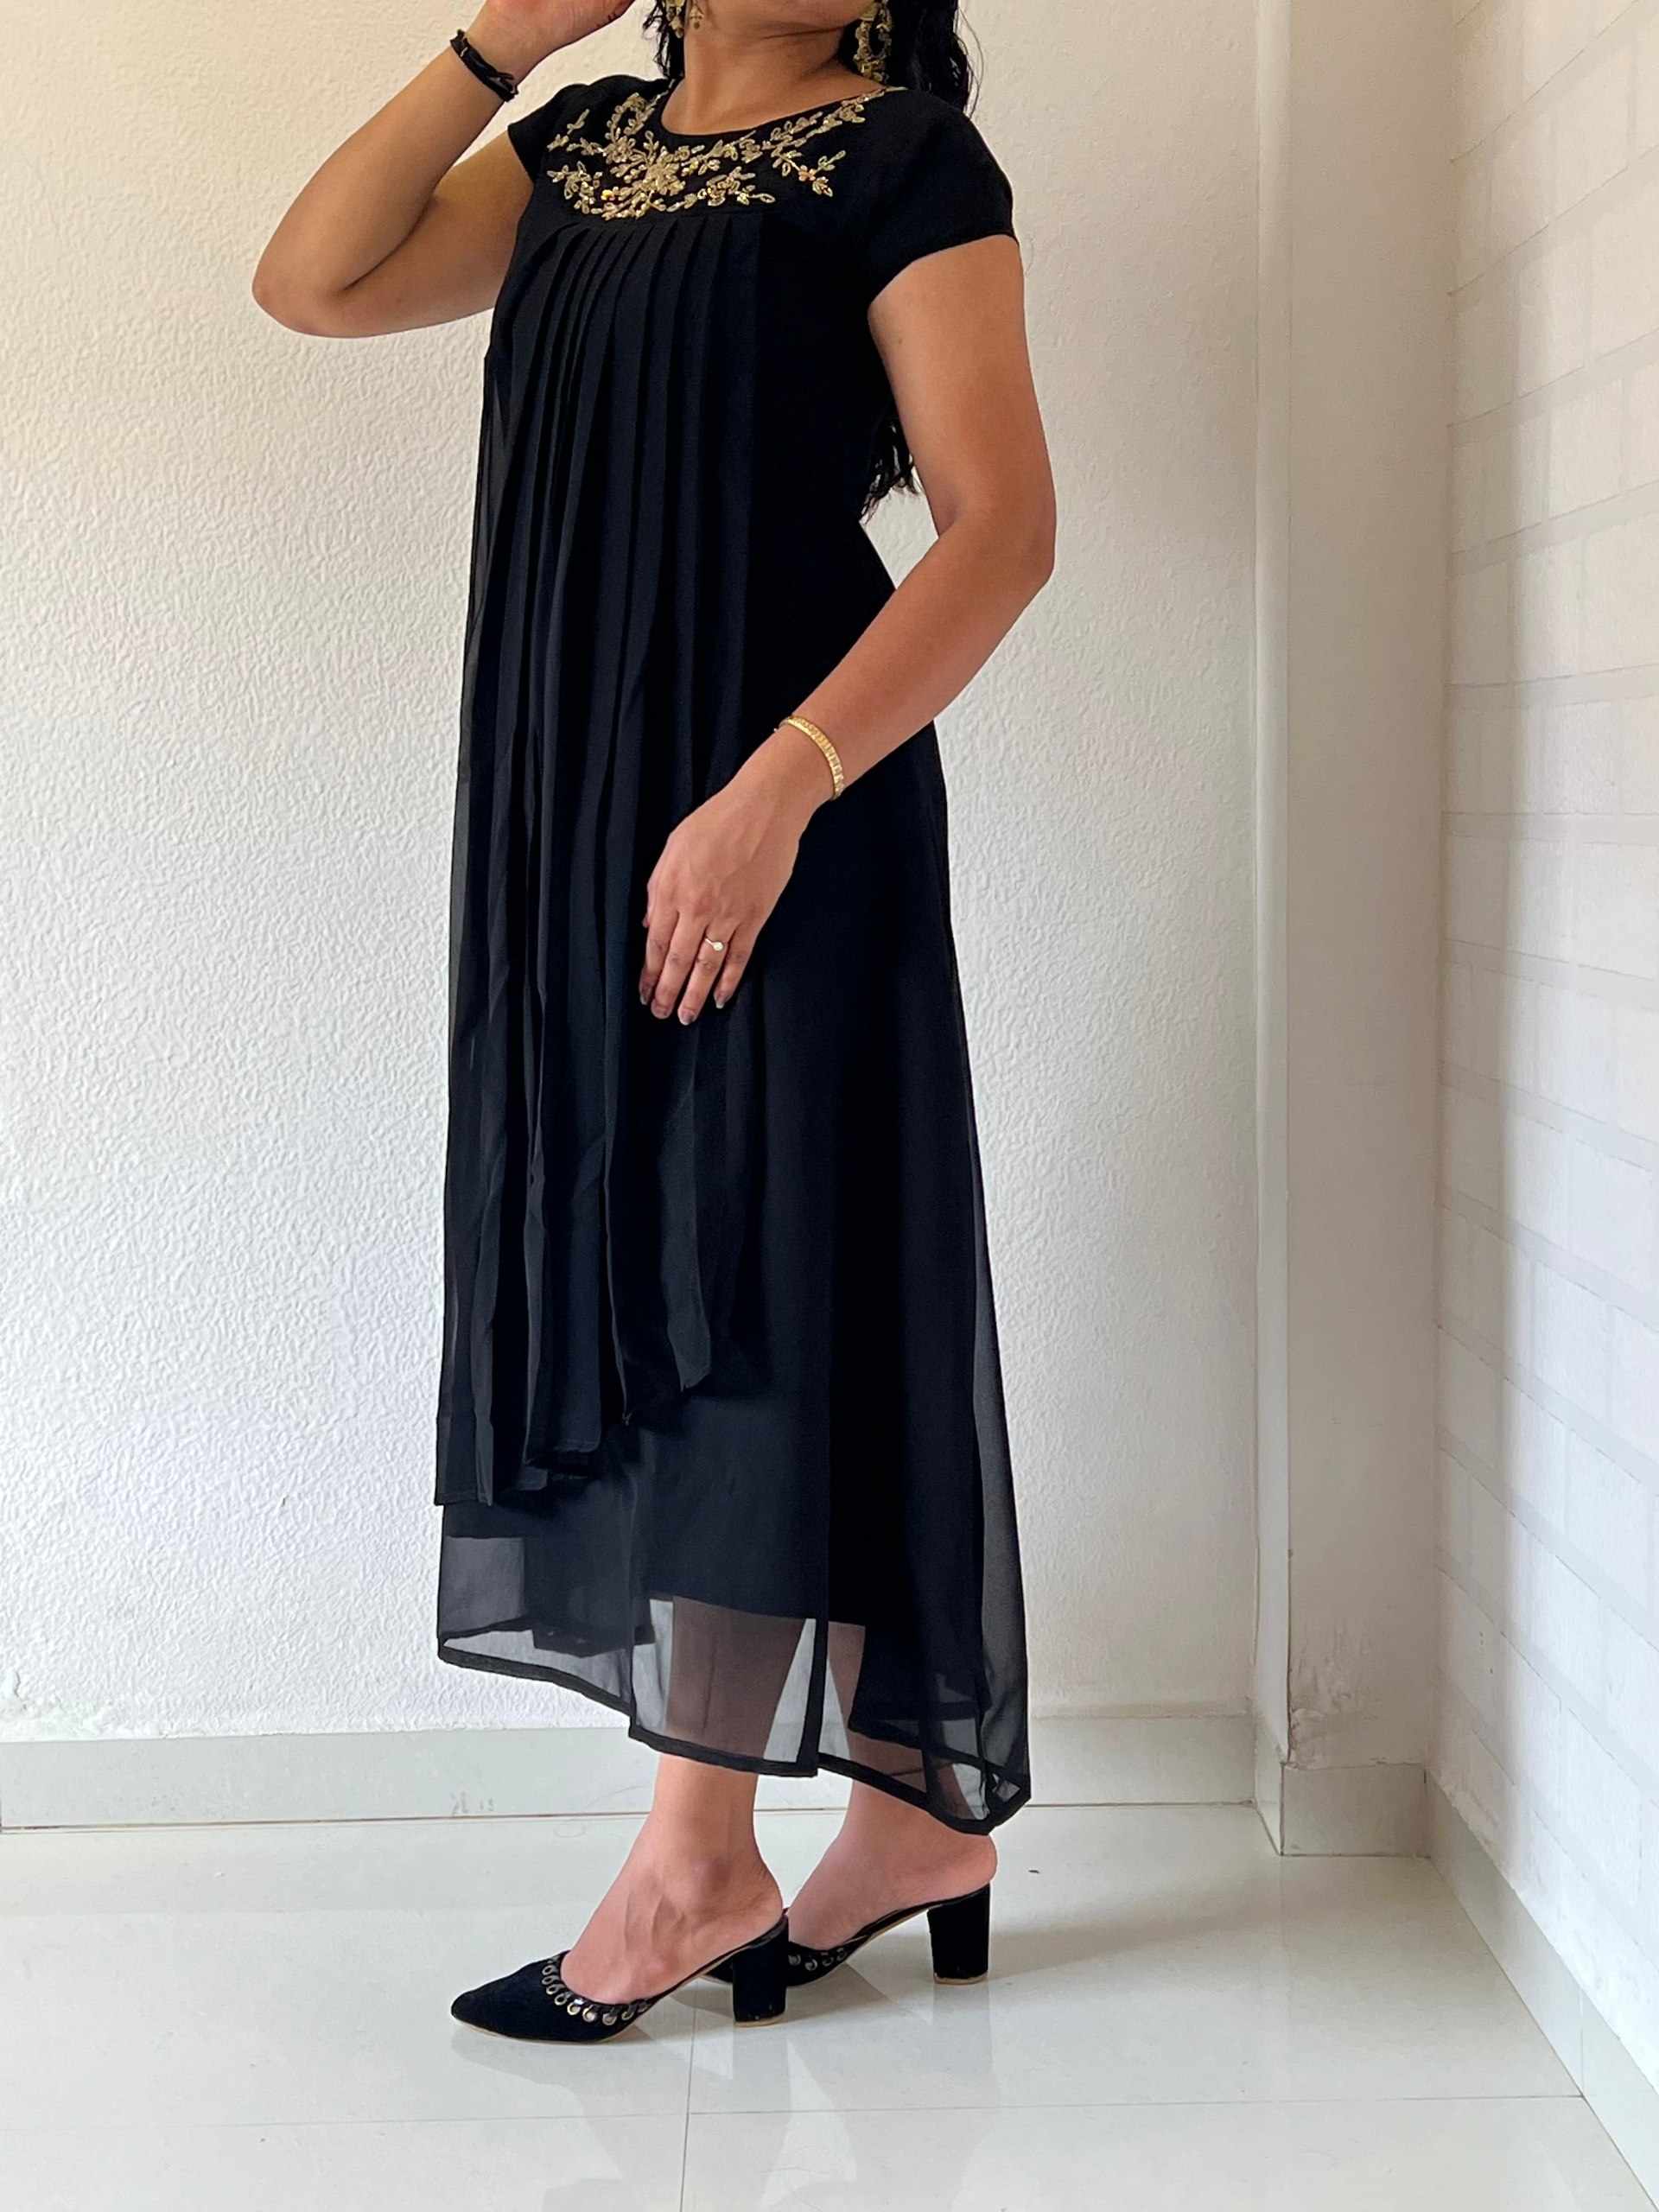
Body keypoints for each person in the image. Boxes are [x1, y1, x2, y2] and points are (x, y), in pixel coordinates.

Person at [254, 0, 1055, 2043]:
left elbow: (1004, 529)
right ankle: (914, 1814)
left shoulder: (900, 162)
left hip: (783, 808)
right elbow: (312, 279)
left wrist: (783, 788)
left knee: (750, 1276)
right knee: (677, 1252)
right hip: (571, 812)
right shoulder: (578, 149)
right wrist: (499, 41)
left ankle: (702, 1857)